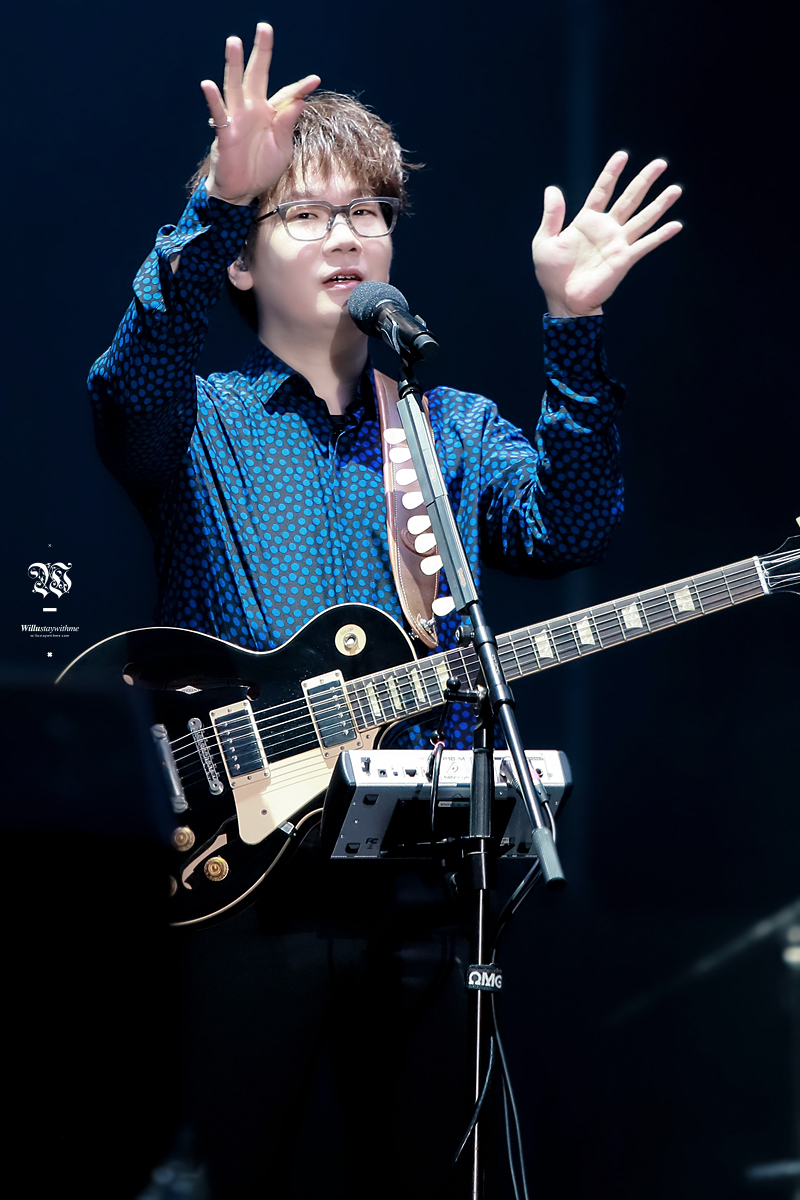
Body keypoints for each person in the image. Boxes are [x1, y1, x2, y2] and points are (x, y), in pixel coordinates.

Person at [88, 23, 681, 1199]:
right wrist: (219, 203)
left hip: (424, 888)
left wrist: (571, 327)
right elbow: (128, 381)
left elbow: (566, 528)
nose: (345, 232)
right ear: (244, 263)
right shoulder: (201, 420)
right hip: (240, 886)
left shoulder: (448, 426)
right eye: (305, 213)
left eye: (366, 210)